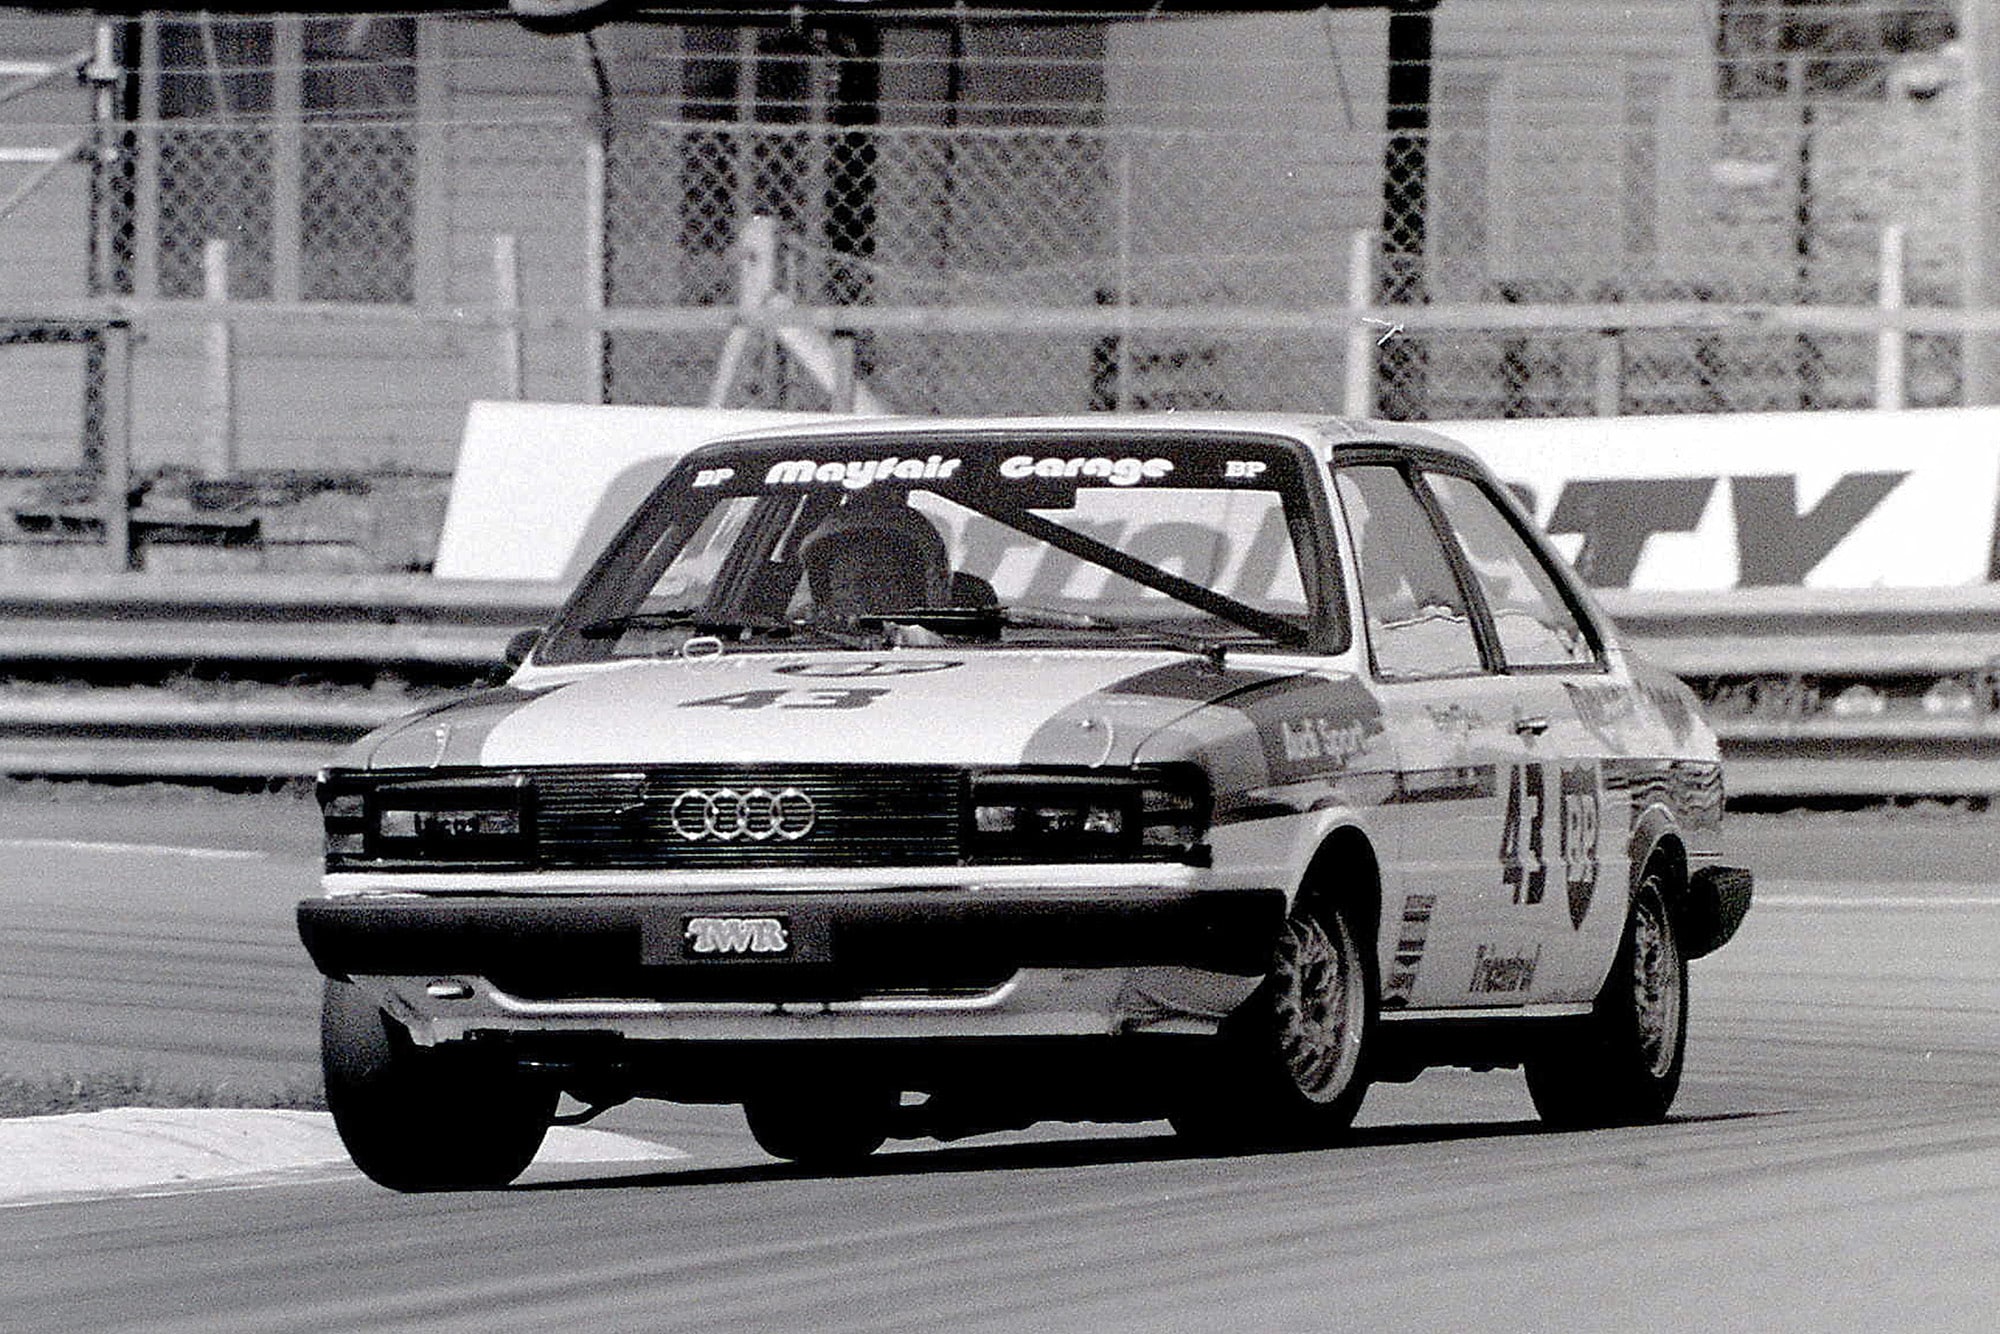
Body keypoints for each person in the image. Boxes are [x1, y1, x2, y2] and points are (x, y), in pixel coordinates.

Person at [797, 498, 952, 624]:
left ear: (919, 588)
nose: (860, 597)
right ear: (824, 592)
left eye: (878, 581)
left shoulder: (957, 651)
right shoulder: (801, 648)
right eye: (844, 585)